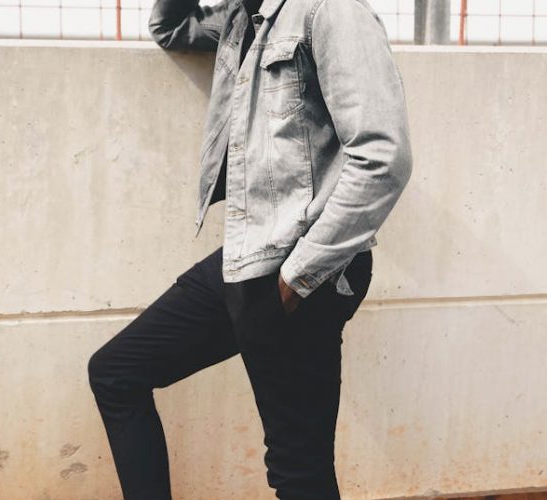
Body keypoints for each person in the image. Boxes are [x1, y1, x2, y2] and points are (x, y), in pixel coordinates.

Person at [87, 0, 412, 496]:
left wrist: (295, 280)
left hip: (303, 269)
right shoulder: (240, 17)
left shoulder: (332, 12)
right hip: (248, 255)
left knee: (297, 471)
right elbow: (170, 26)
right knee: (117, 374)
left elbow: (383, 158)